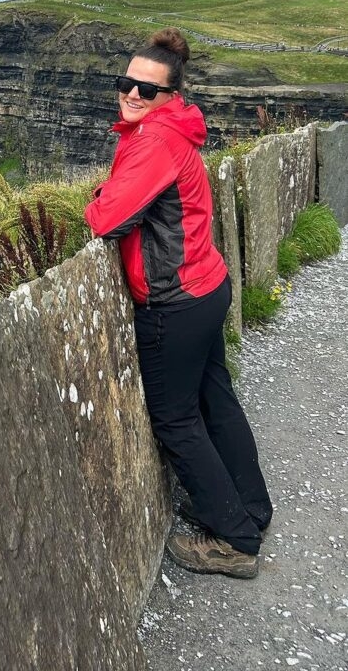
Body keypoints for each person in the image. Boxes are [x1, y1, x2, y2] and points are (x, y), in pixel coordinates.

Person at [83, 28, 273, 579]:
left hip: (176, 301)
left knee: (176, 419)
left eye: (147, 90)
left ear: (171, 95)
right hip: (208, 284)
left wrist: (100, 195)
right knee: (216, 399)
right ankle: (250, 510)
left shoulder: (155, 141)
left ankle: (236, 540)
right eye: (126, 84)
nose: (133, 95)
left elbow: (108, 219)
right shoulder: (176, 130)